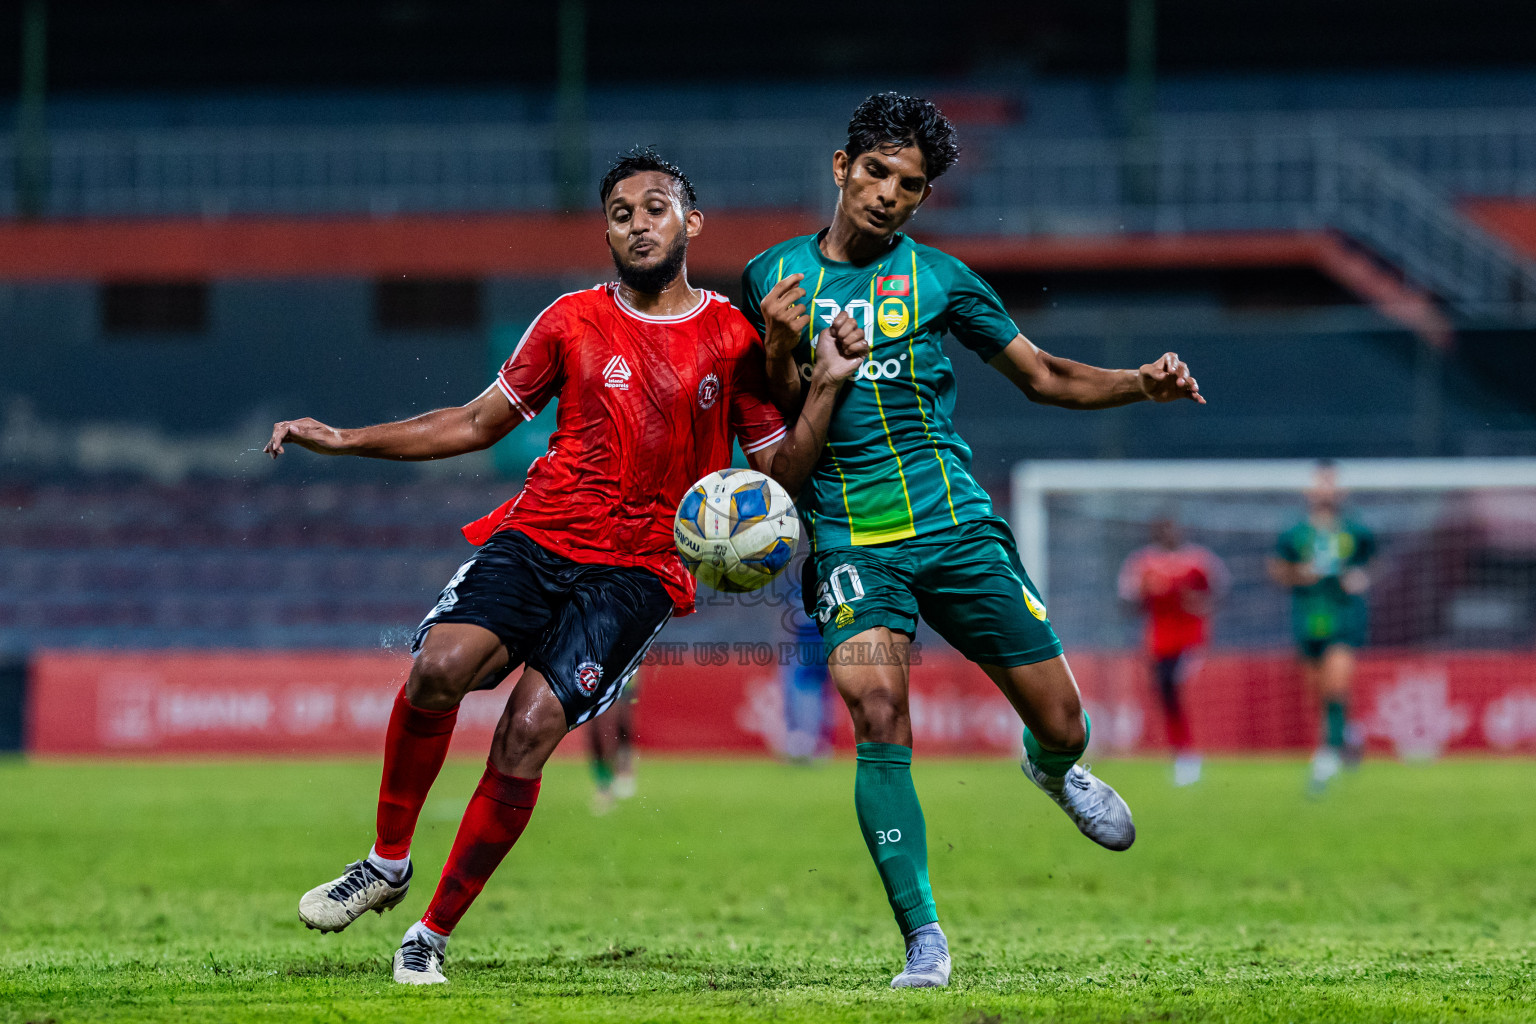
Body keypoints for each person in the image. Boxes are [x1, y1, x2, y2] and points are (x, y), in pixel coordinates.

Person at [266, 147, 868, 985]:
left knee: (527, 730)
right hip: (540, 534)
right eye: (621, 212)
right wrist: (348, 439)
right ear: (607, 232)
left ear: (690, 223)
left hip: (640, 571)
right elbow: (476, 423)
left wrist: (821, 383)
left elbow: (779, 478)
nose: (637, 222)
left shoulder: (735, 337)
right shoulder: (570, 320)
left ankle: (430, 934)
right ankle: (387, 862)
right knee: (438, 669)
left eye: (655, 207)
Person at [740, 93, 1205, 989]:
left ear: (922, 199)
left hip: (956, 529)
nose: (887, 194)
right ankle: (924, 939)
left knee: (1065, 720)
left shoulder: (944, 280)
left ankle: (1054, 767)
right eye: (874, 172)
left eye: (908, 185)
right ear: (841, 168)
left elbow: (1045, 376)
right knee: (878, 715)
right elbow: (776, 427)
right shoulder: (771, 276)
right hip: (850, 543)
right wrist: (783, 348)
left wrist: (1139, 384)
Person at [1268, 460, 1376, 795]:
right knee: (1320, 692)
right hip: (1308, 617)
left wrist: (1361, 577)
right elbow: (1276, 569)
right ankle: (1349, 733)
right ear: (1310, 491)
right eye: (1320, 484)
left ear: (1340, 491)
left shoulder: (1356, 531)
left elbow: (1371, 563)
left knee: (1336, 683)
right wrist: (1299, 575)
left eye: (1331, 485)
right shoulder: (1294, 532)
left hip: (1344, 616)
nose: (1326, 491)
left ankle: (1325, 760)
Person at [1117, 517, 1228, 786]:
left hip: (1192, 639)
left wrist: (1201, 604)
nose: (1169, 533)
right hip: (1158, 642)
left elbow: (1221, 592)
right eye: (1163, 529)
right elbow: (1127, 602)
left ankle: (1193, 751)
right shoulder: (1142, 563)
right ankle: (1183, 752)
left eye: (1173, 528)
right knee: (1167, 694)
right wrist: (1144, 595)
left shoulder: (1198, 560)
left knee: (1179, 686)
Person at [587, 666, 639, 815]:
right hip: (595, 686)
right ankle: (605, 783)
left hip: (618, 685)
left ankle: (615, 779)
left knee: (613, 734)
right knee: (597, 736)